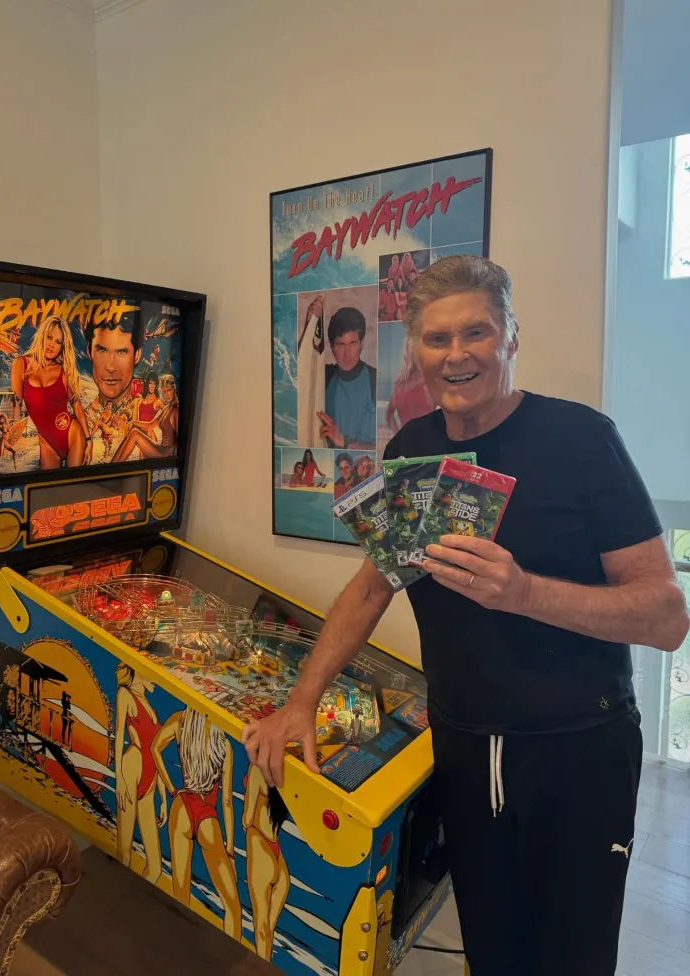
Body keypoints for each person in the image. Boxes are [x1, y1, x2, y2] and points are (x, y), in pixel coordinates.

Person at [242, 255, 690, 976]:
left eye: (476, 333)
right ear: (415, 352)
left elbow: (667, 615)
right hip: (462, 737)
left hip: (578, 746)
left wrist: (523, 592)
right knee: (491, 949)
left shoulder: (582, 439)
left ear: (510, 337)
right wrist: (301, 701)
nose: (457, 355)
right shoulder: (410, 449)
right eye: (437, 339)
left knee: (571, 956)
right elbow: (372, 585)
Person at [151, 707, 242, 939]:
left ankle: (180, 949)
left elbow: (155, 748)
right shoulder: (224, 743)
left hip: (181, 806)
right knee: (232, 906)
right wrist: (230, 850)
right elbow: (228, 802)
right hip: (206, 815)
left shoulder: (180, 720)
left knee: (180, 891)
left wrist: (172, 791)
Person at [10, 316, 92, 470]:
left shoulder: (63, 371)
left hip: (72, 434)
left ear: (62, 346)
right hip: (46, 443)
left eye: (58, 342)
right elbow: (16, 403)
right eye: (49, 337)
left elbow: (77, 406)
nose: (51, 345)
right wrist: (13, 431)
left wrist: (89, 440)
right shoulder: (21, 364)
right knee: (48, 490)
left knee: (75, 487)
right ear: (42, 335)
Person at [114, 663, 166, 885]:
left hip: (151, 775)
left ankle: (133, 901)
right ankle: (115, 903)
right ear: (137, 671)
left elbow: (157, 754)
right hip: (132, 766)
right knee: (124, 850)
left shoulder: (150, 706)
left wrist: (164, 799)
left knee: (155, 868)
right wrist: (119, 779)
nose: (157, 677)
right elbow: (118, 736)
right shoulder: (125, 694)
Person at [242, 764, 290, 961]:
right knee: (268, 931)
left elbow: (246, 818)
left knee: (261, 929)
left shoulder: (257, 769)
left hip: (259, 842)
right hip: (278, 858)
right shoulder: (287, 770)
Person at [84, 310, 143, 463]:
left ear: (137, 355)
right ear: (89, 351)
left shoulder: (147, 413)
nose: (111, 367)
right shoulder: (80, 421)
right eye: (102, 350)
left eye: (122, 352)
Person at [319, 306, 377, 450]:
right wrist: (311, 319)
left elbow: (383, 447)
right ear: (332, 347)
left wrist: (343, 441)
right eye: (341, 345)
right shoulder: (324, 376)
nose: (347, 354)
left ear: (361, 344)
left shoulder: (375, 379)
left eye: (353, 343)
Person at [111, 373, 179, 463]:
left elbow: (181, 439)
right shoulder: (167, 408)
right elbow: (149, 425)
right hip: (160, 447)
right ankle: (113, 464)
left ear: (174, 389)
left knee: (135, 433)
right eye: (164, 392)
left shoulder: (176, 410)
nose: (167, 395)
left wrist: (174, 459)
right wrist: (133, 422)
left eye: (169, 390)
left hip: (165, 454)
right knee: (133, 432)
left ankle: (115, 467)